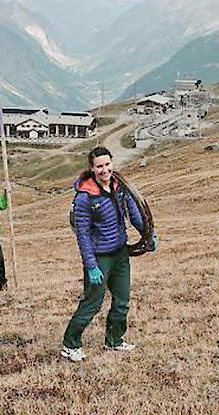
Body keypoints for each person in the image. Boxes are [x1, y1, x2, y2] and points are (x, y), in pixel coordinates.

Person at [61, 146, 155, 362]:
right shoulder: (85, 197)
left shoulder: (119, 187)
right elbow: (82, 234)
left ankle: (114, 339)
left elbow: (134, 214)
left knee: (122, 300)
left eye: (107, 164)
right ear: (92, 168)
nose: (104, 170)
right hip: (100, 257)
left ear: (112, 163)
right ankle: (70, 344)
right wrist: (91, 266)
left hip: (120, 253)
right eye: (99, 166)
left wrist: (148, 236)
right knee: (93, 302)